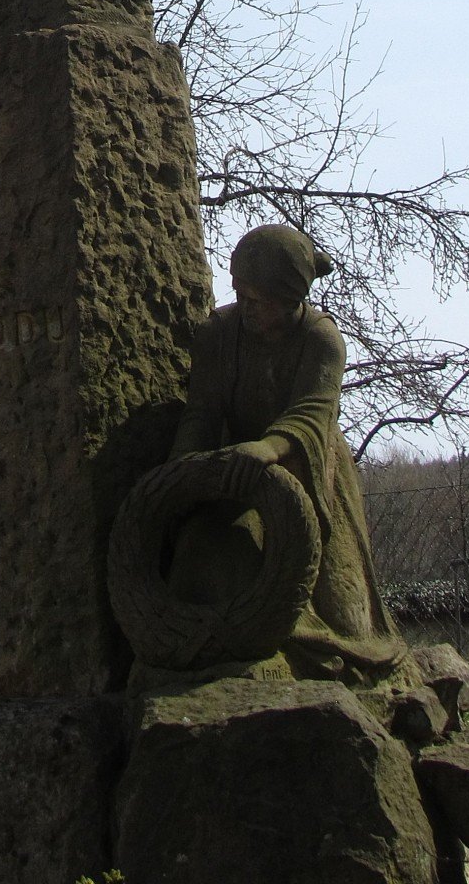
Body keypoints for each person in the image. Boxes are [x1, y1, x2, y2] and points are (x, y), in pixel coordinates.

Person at [168, 224, 411, 682]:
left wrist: (267, 449)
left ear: (291, 300)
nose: (246, 309)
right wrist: (183, 472)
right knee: (206, 560)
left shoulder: (322, 340)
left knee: (349, 619)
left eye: (258, 300)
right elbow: (200, 412)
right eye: (240, 294)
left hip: (310, 466)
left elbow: (311, 413)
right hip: (236, 471)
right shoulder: (219, 334)